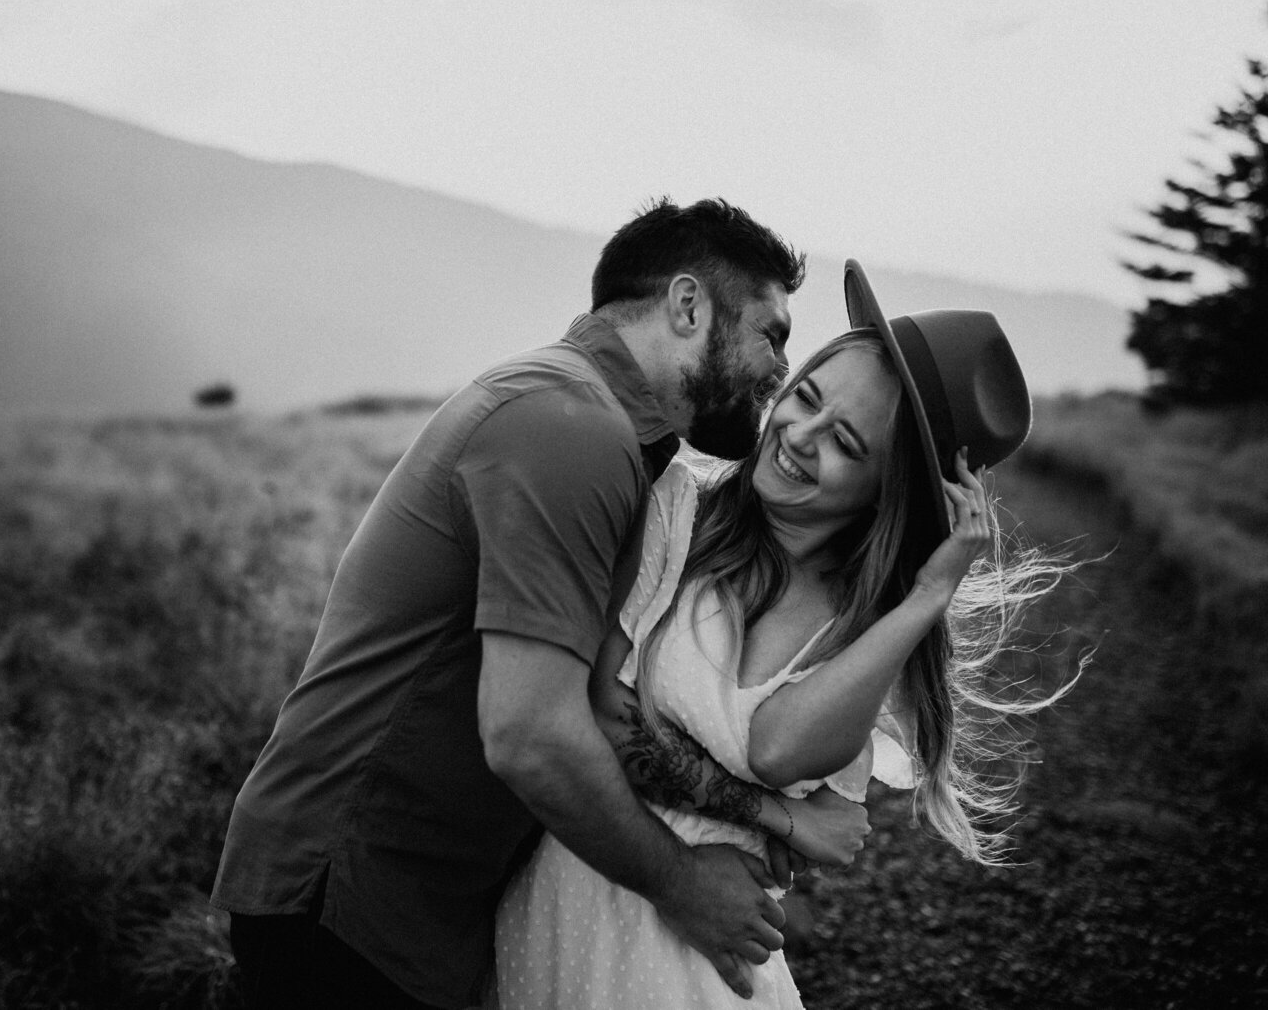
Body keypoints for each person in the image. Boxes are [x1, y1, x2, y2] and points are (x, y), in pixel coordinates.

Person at [210, 198, 870, 1010]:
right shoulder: (571, 426)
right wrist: (682, 883)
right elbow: (530, 732)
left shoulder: (608, 433)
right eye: (773, 334)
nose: (780, 372)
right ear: (689, 305)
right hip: (347, 900)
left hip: (400, 907)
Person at [491, 261, 1081, 1008]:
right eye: (804, 397)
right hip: (577, 891)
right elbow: (600, 716)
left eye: (845, 442)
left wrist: (927, 596)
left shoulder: (861, 633)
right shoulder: (677, 513)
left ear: (884, 490)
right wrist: (781, 816)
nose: (798, 435)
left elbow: (776, 746)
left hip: (709, 958)